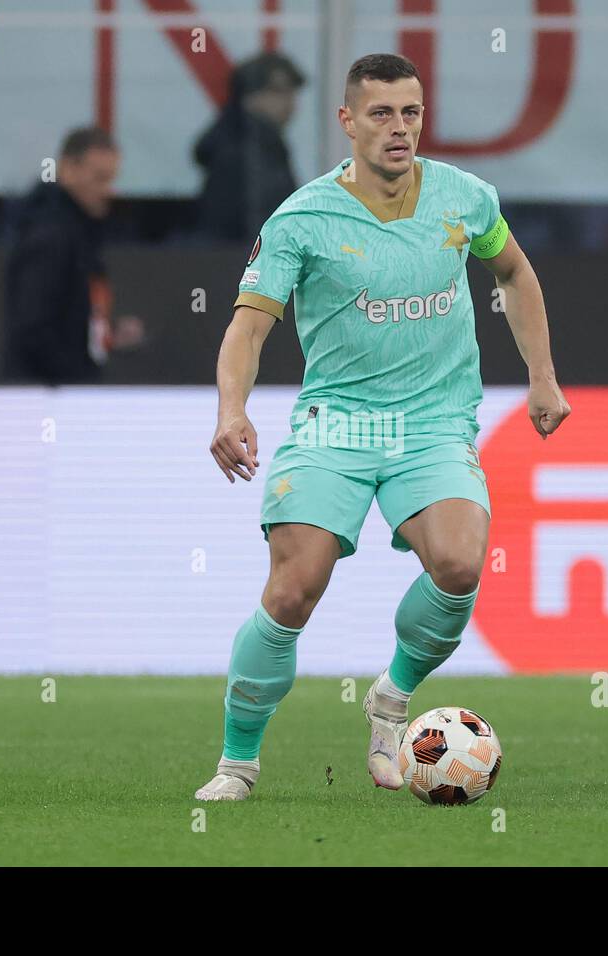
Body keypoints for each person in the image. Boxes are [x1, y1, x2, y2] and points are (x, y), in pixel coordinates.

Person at [197, 53, 571, 800]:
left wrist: (542, 375)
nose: (399, 129)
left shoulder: (466, 199)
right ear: (347, 121)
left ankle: (392, 701)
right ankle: (238, 761)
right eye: (381, 114)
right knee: (294, 589)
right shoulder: (301, 219)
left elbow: (515, 275)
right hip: (337, 427)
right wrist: (231, 409)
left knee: (462, 566)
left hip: (432, 424)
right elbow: (247, 329)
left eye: (411, 113)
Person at [1, 126, 144, 385]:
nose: (108, 191)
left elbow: (67, 318)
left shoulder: (78, 234)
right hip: (41, 399)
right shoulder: (50, 238)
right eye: (100, 178)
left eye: (112, 179)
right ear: (68, 170)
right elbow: (33, 328)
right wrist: (77, 378)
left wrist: (106, 333)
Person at [193, 52, 305, 242]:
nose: (290, 101)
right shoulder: (243, 149)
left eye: (292, 91)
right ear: (249, 96)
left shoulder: (267, 144)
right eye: (278, 91)